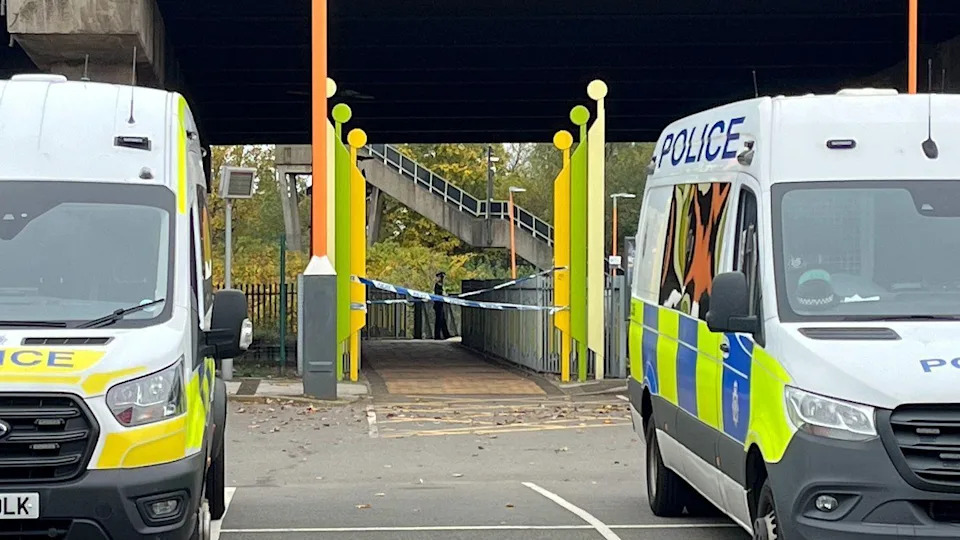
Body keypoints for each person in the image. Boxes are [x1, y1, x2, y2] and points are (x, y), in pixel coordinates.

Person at [433, 271, 451, 340]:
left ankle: (446, 334)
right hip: (438, 305)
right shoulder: (437, 285)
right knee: (439, 320)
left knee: (442, 320)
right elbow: (438, 294)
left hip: (440, 304)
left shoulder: (441, 285)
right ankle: (437, 336)